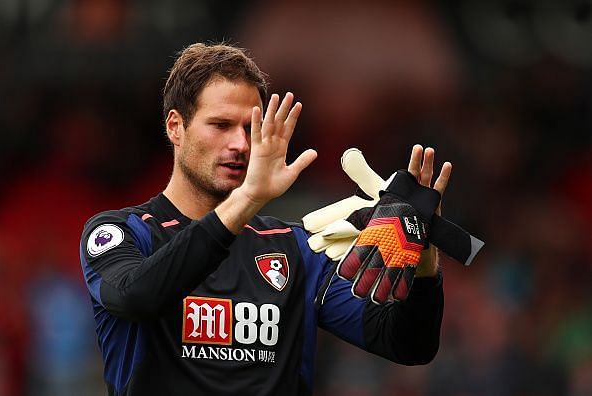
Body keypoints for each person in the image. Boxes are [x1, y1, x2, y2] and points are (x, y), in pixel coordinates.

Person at [79, 43, 450, 396]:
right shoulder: (124, 232)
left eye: (249, 129)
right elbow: (134, 296)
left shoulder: (295, 248)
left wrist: (422, 257)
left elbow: (407, 345)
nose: (240, 144)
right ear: (175, 127)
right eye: (221, 125)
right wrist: (247, 199)